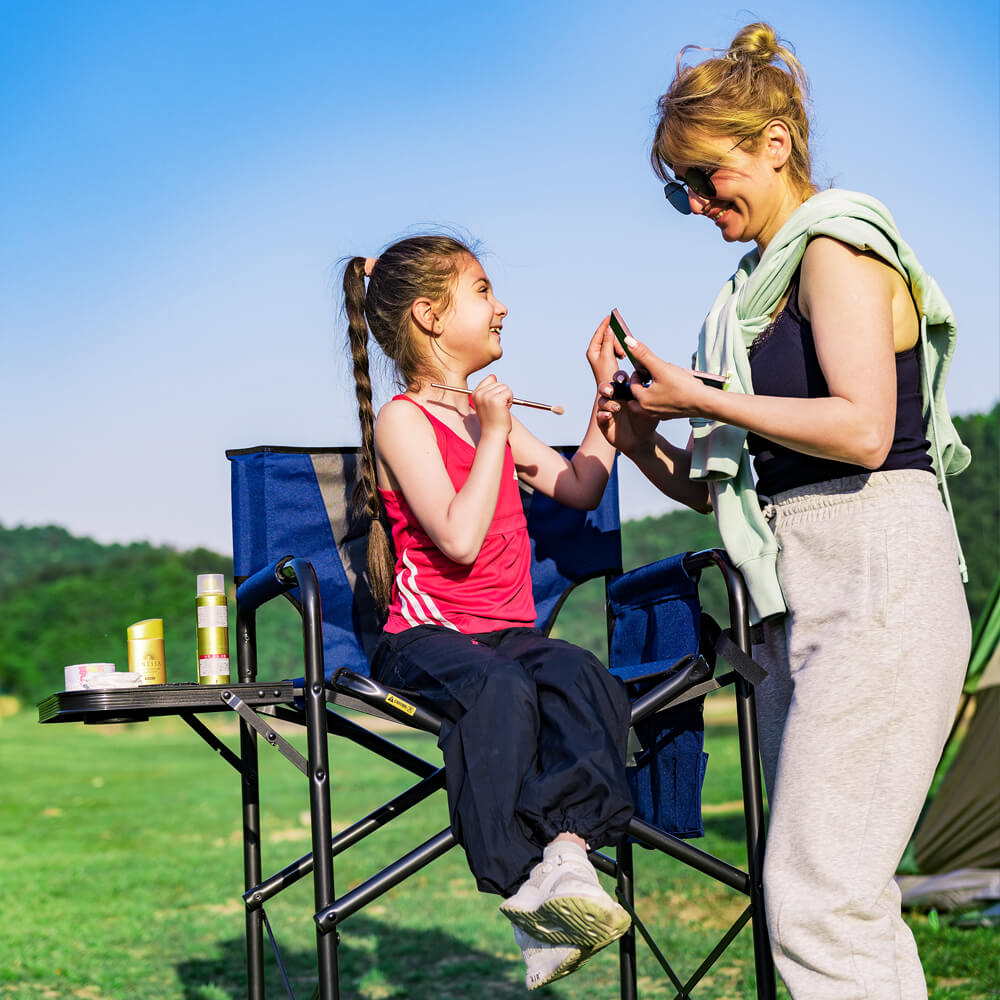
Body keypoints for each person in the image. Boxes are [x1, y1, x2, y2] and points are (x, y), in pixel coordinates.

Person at [595, 23, 972, 1000]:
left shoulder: (837, 250)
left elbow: (859, 429)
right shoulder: (747, 296)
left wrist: (705, 398)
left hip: (877, 575)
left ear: (774, 144)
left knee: (816, 894)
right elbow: (737, 483)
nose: (695, 202)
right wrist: (642, 432)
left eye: (707, 175)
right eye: (677, 187)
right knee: (841, 895)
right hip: (795, 593)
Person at [342, 235, 633, 991]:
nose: (501, 306)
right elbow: (460, 541)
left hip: (506, 636)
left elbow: (579, 487)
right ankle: (522, 885)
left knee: (578, 674)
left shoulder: (483, 412)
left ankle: (567, 853)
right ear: (431, 316)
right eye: (482, 290)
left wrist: (605, 399)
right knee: (500, 692)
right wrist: (496, 434)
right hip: (424, 641)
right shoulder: (405, 421)